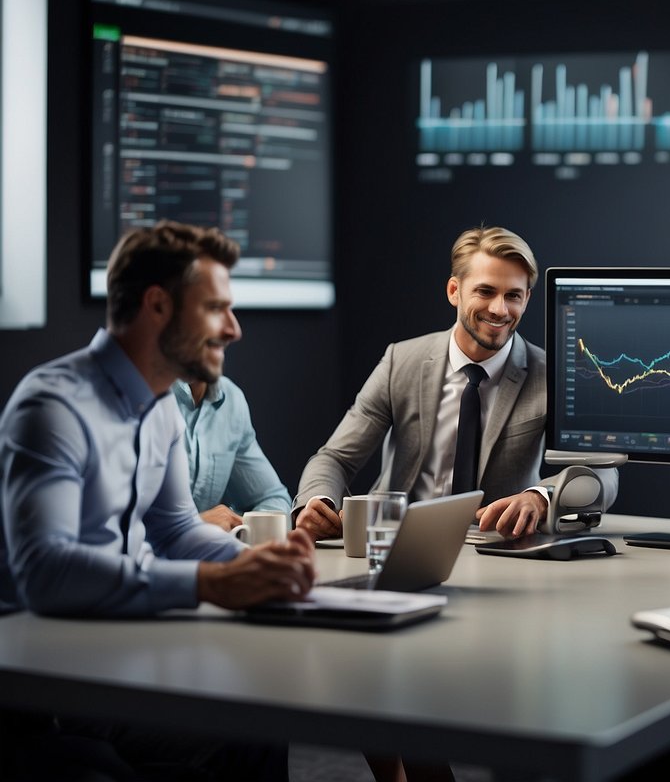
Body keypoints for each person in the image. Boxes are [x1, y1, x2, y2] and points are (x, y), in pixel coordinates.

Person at [0, 220, 314, 780]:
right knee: (247, 722)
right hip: (51, 683)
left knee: (263, 714)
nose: (235, 329)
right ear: (158, 306)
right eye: (216, 308)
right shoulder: (53, 406)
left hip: (127, 648)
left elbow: (174, 531)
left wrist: (257, 567)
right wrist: (209, 583)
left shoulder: (158, 407)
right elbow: (43, 571)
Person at [293, 224, 617, 541]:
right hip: (397, 539)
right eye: (485, 291)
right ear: (454, 291)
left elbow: (603, 472)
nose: (499, 309)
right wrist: (318, 502)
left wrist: (540, 497)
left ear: (527, 298)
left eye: (513, 296)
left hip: (496, 547)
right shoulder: (401, 361)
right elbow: (335, 458)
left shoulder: (553, 375)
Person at [174, 375, 292, 531]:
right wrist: (195, 527)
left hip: (209, 554)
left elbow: (274, 499)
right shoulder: (144, 392)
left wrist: (241, 529)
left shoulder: (232, 400)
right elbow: (131, 525)